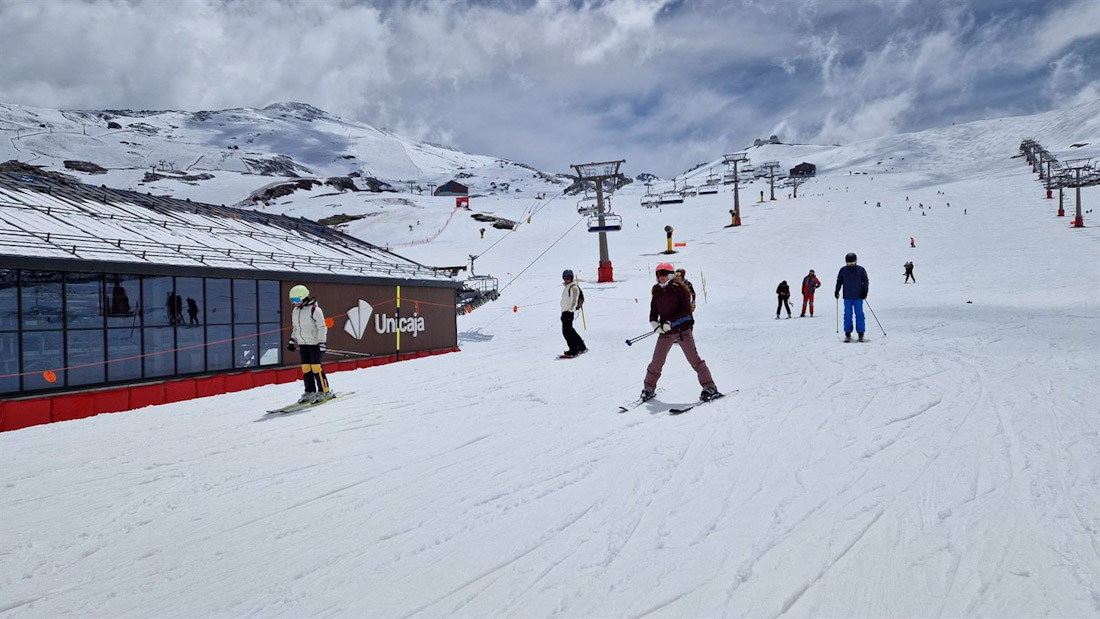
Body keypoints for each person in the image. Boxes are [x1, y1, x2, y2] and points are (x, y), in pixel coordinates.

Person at [640, 263, 720, 402]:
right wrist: (654, 323)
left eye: (664, 273)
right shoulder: (657, 291)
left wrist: (670, 323)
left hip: (683, 331)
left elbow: (686, 312)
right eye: (658, 274)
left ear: (671, 274)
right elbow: (653, 311)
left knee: (694, 360)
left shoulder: (680, 289)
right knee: (656, 361)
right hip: (666, 332)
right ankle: (649, 387)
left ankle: (710, 387)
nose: (661, 277)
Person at [286, 284, 333, 403]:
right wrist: (292, 340)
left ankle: (324, 391)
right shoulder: (295, 311)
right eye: (292, 300)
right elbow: (296, 328)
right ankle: (310, 391)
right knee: (306, 368)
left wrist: (322, 342)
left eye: (296, 300)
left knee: (316, 367)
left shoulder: (315, 310)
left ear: (303, 297)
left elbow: (322, 327)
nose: (294, 303)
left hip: (314, 343)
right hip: (303, 343)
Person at [834, 253, 870, 342]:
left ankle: (861, 333)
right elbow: (839, 281)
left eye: (853, 263)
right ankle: (848, 333)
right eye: (849, 263)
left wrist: (865, 291)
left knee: (859, 315)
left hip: (858, 296)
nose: (851, 265)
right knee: (847, 315)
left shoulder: (861, 270)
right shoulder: (843, 270)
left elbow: (865, 281)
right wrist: (837, 291)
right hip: (847, 296)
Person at [560, 269, 587, 357]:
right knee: (570, 331)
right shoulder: (567, 287)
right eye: (565, 278)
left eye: (568, 278)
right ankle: (581, 346)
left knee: (567, 332)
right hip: (565, 312)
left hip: (568, 312)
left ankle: (574, 349)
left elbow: (574, 300)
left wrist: (570, 310)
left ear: (571, 279)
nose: (566, 280)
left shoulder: (573, 287)